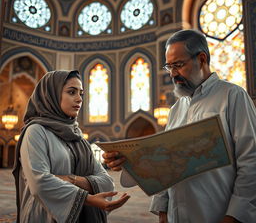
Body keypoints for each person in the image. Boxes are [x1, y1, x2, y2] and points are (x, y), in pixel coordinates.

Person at [103, 29, 256, 223]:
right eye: (169, 67)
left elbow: (251, 162)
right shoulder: (176, 109)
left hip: (218, 214)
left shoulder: (232, 96)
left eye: (178, 65)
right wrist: (162, 208)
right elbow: (167, 164)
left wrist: (234, 215)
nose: (173, 74)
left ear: (201, 59)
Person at [12, 70, 130, 223]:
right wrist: (87, 196)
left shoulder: (78, 137)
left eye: (81, 94)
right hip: (43, 215)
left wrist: (69, 179)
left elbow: (107, 181)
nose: (79, 99)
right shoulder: (36, 131)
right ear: (51, 95)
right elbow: (39, 184)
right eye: (71, 92)